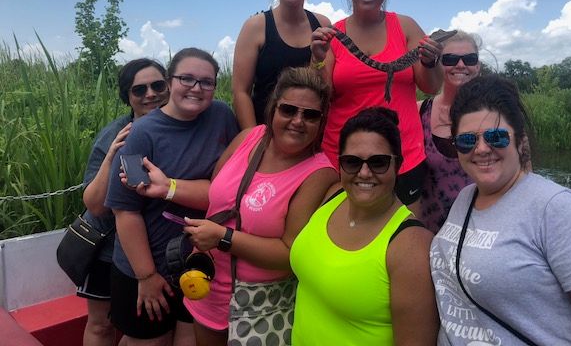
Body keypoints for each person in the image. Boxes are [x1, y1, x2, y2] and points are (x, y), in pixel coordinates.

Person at [430, 75, 571, 345]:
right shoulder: (464, 198)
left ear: (520, 141)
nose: (481, 149)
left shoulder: (557, 209)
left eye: (496, 137)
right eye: (467, 140)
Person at [171, 67, 337, 346]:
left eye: (310, 115)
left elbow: (289, 253)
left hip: (262, 301)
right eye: (288, 110)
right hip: (207, 281)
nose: (298, 121)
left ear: (322, 122)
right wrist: (167, 187)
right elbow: (216, 193)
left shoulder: (319, 174)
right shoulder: (249, 137)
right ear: (273, 109)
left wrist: (223, 237)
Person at [105, 48, 238, 346]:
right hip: (146, 264)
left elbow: (229, 188)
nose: (196, 88)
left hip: (196, 260)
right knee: (151, 341)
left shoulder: (221, 116)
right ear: (169, 81)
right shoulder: (142, 133)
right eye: (186, 78)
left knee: (188, 338)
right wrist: (146, 276)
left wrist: (171, 186)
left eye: (206, 81)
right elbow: (125, 212)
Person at [310, 0, 443, 208]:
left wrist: (431, 62)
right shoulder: (333, 35)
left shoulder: (405, 26)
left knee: (403, 238)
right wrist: (318, 60)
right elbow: (325, 95)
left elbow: (431, 86)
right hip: (345, 158)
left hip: (401, 156)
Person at [291, 107, 439, 346]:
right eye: (352, 162)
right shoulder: (332, 196)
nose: (364, 173)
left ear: (398, 165)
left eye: (378, 162)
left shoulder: (410, 247)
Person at [79, 58, 169, 346]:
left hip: (153, 246)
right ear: (127, 97)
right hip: (108, 246)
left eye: (157, 85)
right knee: (102, 324)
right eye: (139, 90)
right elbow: (95, 205)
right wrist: (112, 156)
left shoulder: (179, 126)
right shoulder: (117, 135)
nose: (150, 94)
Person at [232, 0, 331, 129]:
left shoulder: (322, 25)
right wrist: (252, 138)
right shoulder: (255, 26)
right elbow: (240, 92)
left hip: (307, 131)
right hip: (264, 133)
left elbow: (325, 87)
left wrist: (318, 59)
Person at [418, 31, 481, 233]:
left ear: (477, 66)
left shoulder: (499, 117)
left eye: (469, 59)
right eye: (450, 59)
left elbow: (523, 177)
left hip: (483, 237)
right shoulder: (419, 112)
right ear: (437, 63)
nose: (460, 65)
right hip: (430, 236)